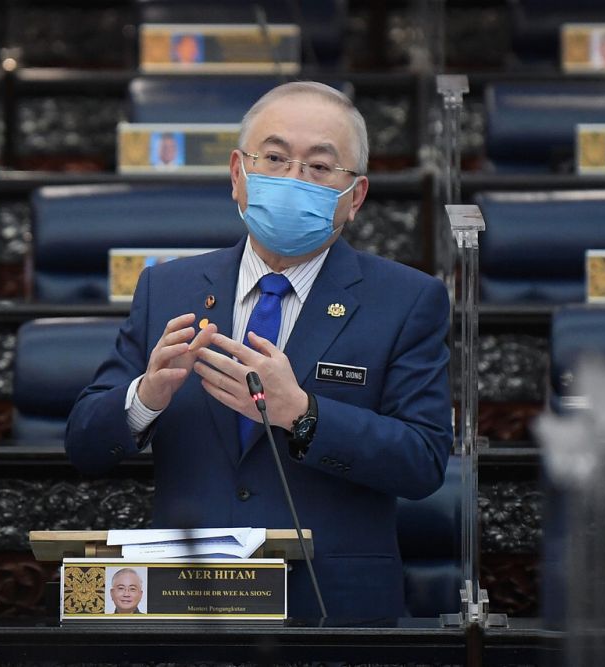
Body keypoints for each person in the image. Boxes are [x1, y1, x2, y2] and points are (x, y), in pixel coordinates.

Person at [65, 81, 453, 618]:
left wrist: (303, 414)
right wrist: (145, 398)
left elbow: (424, 461)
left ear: (356, 196)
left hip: (331, 609)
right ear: (237, 174)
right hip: (188, 604)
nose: (293, 178)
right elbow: (84, 444)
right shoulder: (168, 288)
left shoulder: (408, 300)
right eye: (273, 158)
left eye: (319, 168)